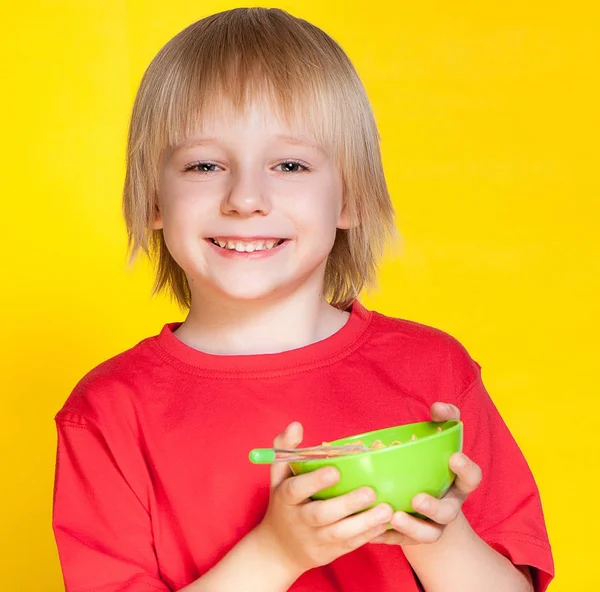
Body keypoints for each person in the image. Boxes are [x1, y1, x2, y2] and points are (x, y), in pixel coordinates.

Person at [52, 7, 554, 592]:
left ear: (349, 200)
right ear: (154, 201)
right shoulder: (108, 412)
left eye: (289, 164)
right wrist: (276, 553)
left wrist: (436, 532)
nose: (245, 198)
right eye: (204, 164)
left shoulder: (434, 372)